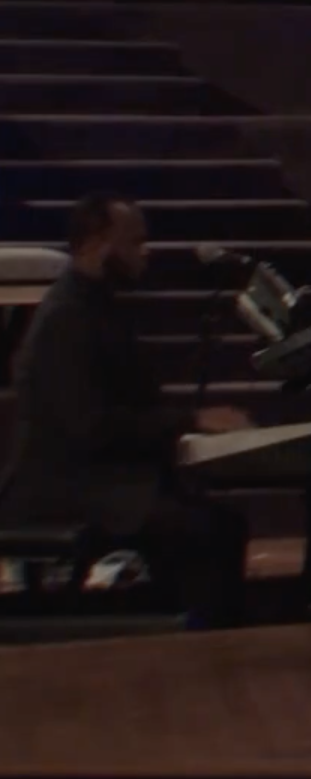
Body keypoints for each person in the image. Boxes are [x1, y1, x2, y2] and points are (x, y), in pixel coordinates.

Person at [0, 195, 252, 627]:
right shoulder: (66, 316)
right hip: (63, 486)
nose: (145, 253)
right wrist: (189, 421)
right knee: (206, 531)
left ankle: (191, 631)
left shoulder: (95, 306)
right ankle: (198, 640)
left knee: (217, 523)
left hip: (94, 477)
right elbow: (90, 427)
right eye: (134, 242)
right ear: (96, 243)